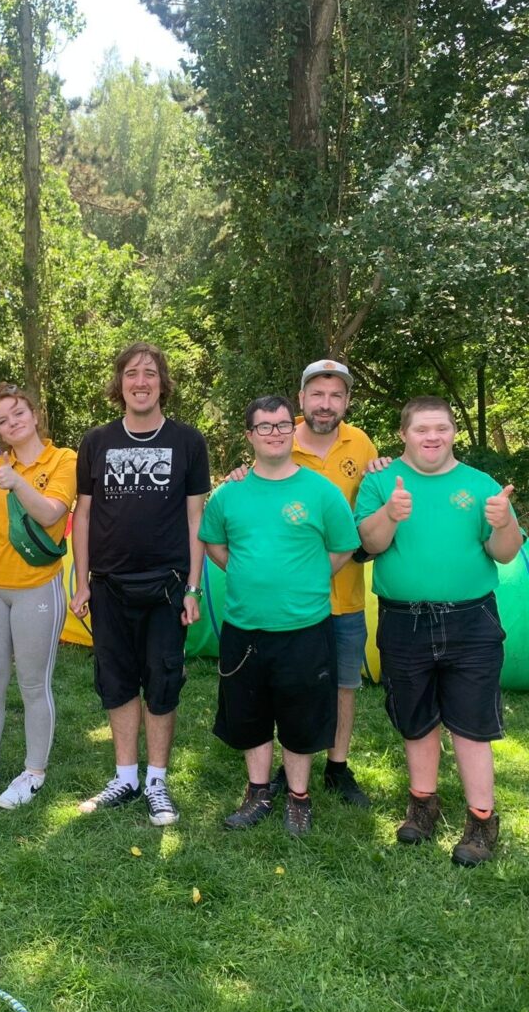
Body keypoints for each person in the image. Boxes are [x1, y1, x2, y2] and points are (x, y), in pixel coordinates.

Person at [355, 396, 522, 866]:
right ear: (403, 434)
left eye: (441, 428)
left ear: (453, 432)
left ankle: (482, 819)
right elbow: (369, 544)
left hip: (472, 619)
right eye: (422, 429)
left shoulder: (480, 484)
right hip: (403, 619)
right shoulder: (380, 482)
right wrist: (390, 514)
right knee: (416, 717)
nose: (433, 437)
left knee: (472, 722)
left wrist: (503, 524)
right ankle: (422, 804)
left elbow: (506, 552)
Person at [200, 395, 360, 835]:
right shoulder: (229, 493)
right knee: (249, 713)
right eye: (264, 426)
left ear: (294, 429)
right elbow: (214, 544)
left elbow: (343, 547)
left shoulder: (321, 492)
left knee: (300, 716)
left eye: (283, 425)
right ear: (250, 435)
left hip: (304, 627)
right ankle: (257, 792)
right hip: (244, 626)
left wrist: (308, 578)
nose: (275, 433)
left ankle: (298, 797)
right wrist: (246, 572)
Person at [231, 360, 384, 806]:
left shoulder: (361, 443)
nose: (326, 404)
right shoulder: (280, 436)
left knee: (343, 684)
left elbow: (367, 508)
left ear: (347, 401)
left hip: (344, 593)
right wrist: (238, 475)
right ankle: (287, 768)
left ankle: (337, 767)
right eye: (317, 394)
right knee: (287, 686)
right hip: (288, 604)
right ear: (301, 398)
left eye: (336, 395)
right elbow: (254, 495)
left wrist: (384, 471)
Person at [71, 342, 210, 827]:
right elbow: (82, 515)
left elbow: (196, 519)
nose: (141, 381)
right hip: (108, 584)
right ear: (120, 383)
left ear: (162, 383)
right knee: (116, 680)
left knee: (163, 681)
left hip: (167, 585)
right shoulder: (96, 441)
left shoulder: (188, 441)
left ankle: (156, 781)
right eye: (132, 373)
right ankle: (125, 776)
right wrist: (82, 582)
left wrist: (193, 588)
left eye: (150, 372)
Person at [0, 383, 76, 810]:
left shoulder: (64, 459)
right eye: (2, 421)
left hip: (35, 587)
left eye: (18, 414)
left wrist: (18, 483)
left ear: (34, 414)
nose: (12, 424)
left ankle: (33, 773)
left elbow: (50, 514)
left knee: (32, 683)